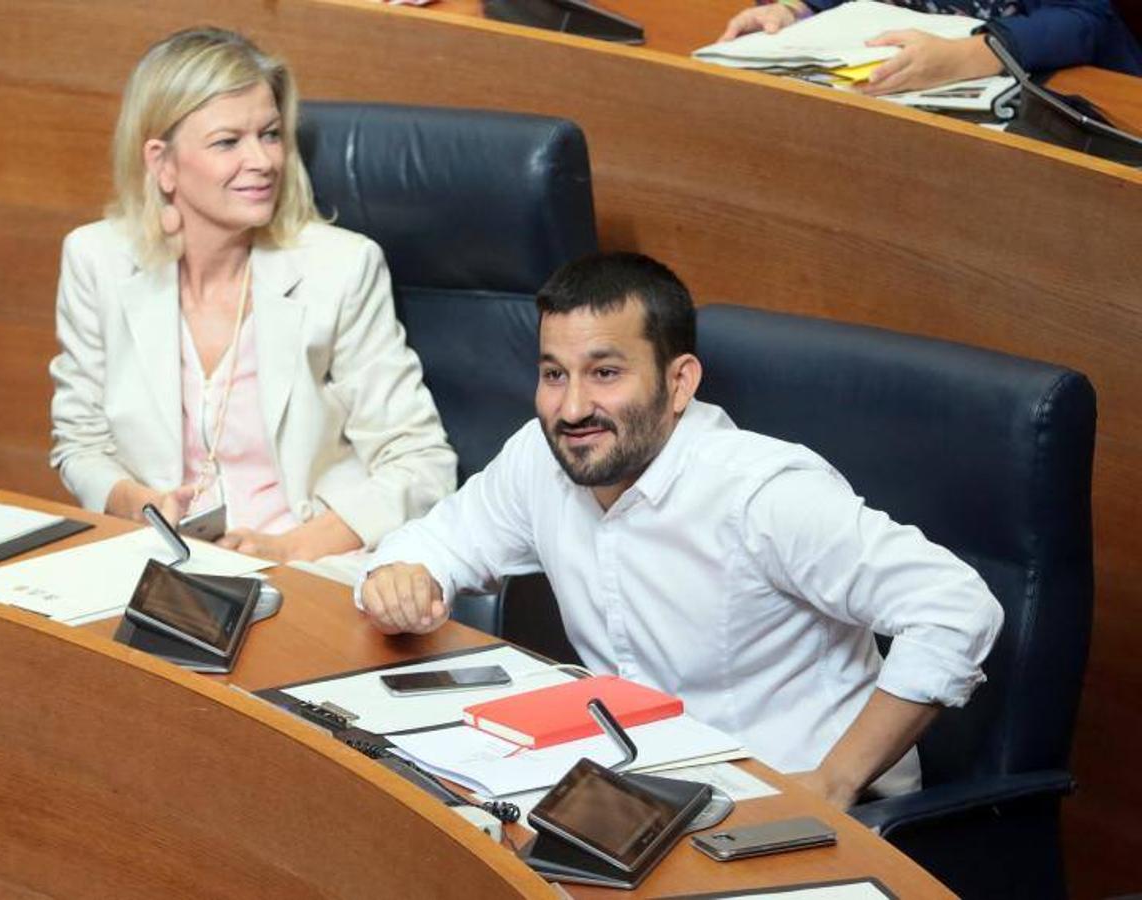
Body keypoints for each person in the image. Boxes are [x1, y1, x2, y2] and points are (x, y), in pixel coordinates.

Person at [357, 252, 1003, 806]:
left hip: (809, 806)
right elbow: (439, 541)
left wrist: (836, 780)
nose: (572, 406)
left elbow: (955, 607)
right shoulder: (540, 456)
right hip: (653, 789)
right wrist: (404, 575)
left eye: (605, 373)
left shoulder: (761, 494)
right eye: (554, 374)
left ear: (678, 383)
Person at [49, 28, 456, 563]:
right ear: (162, 163)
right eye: (227, 142)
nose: (263, 161)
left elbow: (422, 463)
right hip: (159, 560)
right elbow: (79, 444)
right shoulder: (95, 259)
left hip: (311, 561)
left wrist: (289, 549)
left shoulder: (342, 267)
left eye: (269, 134)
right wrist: (140, 503)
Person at [718, 0, 1142, 95]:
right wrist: (795, 10)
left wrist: (978, 53)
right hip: (888, 91)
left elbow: (1086, 20)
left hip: (1053, 96)